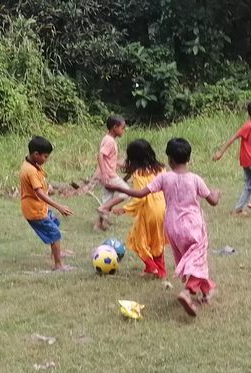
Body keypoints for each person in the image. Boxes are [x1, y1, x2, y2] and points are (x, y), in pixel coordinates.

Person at [111, 138, 221, 316]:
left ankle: (206, 292)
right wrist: (216, 193)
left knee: (191, 261)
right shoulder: (195, 179)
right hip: (193, 226)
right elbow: (213, 201)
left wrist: (121, 188)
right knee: (197, 260)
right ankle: (188, 292)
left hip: (172, 227)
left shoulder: (164, 177)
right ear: (189, 158)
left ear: (169, 159)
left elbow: (139, 193)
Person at [111, 139, 169, 278]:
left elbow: (139, 197)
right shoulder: (161, 169)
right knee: (157, 240)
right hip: (163, 210)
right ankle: (161, 270)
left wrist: (124, 209)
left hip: (149, 211)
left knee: (137, 240)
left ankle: (151, 267)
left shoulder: (139, 174)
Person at [20, 136, 75, 270]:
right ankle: (58, 265)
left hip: (39, 207)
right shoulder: (31, 171)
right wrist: (59, 206)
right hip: (35, 211)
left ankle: (56, 252)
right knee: (54, 233)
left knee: (54, 223)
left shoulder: (32, 165)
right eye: (45, 156)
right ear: (36, 154)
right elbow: (39, 193)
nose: (47, 159)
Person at [93, 115, 129, 230]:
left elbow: (108, 159)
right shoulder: (110, 141)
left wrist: (120, 164)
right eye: (122, 128)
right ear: (115, 127)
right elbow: (100, 155)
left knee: (107, 200)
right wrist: (104, 173)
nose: (123, 130)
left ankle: (98, 225)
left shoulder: (107, 139)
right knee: (127, 192)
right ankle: (104, 209)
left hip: (108, 174)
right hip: (109, 176)